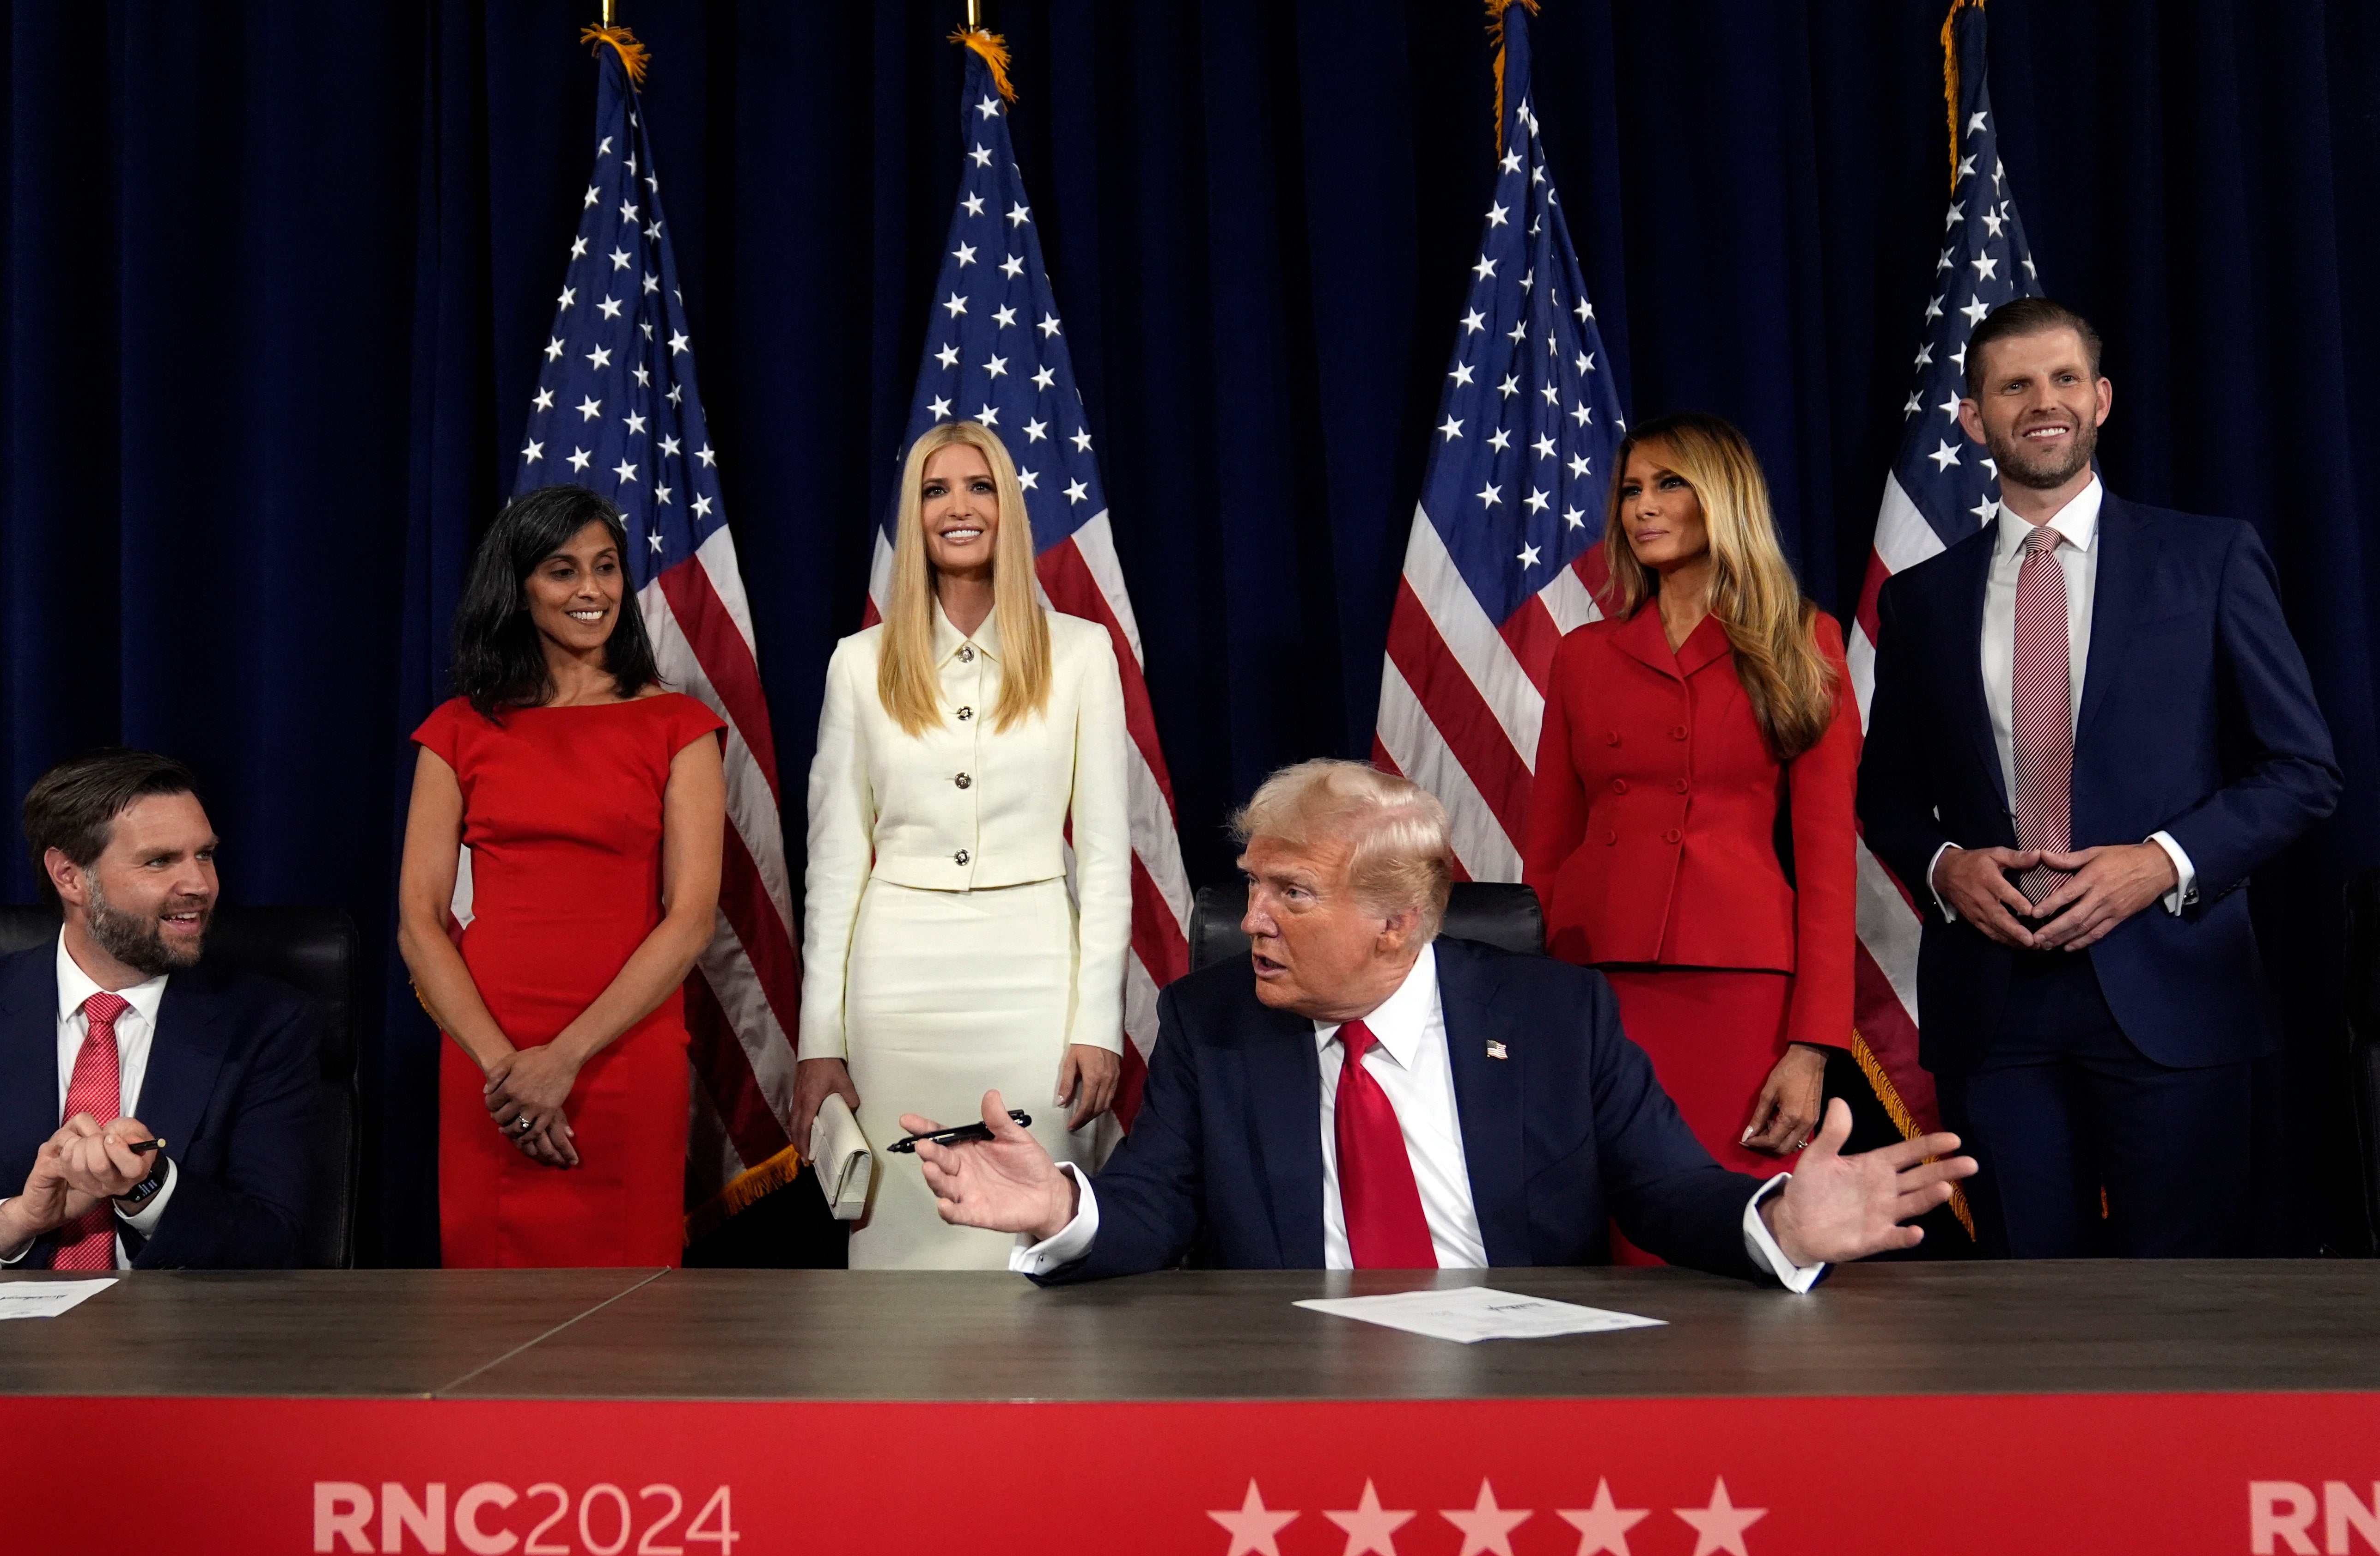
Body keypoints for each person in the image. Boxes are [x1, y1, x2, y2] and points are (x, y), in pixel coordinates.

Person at [903, 760, 1969, 1286]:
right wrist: (1057, 1208)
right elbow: (1149, 1207)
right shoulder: (1209, 1022)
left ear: (1395, 924)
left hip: (1520, 1386)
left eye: (1291, 894)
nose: (1251, 922)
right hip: (1289, 1395)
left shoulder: (1557, 1016)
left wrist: (1776, 1223)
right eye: (1251, 888)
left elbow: (1670, 1191)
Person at [1858, 298, 2339, 1257]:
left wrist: (2158, 862)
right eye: (2014, 385)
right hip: (1993, 1011)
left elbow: (2299, 769)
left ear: (2101, 398)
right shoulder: (1918, 599)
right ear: (1972, 418)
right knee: (2027, 1323)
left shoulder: (2206, 559)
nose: (2043, 402)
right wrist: (1946, 864)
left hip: (2173, 985)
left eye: (2063, 379)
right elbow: (1886, 794)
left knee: (2183, 1315)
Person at [791, 421, 1132, 1268]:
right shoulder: (857, 664)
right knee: (901, 1217)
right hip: (896, 984)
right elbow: (834, 867)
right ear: (915, 517)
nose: (958, 506)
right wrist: (817, 1040)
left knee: (1030, 1210)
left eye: (978, 487)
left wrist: (1099, 1020)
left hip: (1033, 976)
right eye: (934, 490)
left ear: (1008, 508)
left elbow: (1103, 856)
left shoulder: (1083, 653)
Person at [1523, 413, 1861, 1262]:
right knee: (1596, 1233)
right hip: (1592, 985)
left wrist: (1811, 1044)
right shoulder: (1582, 656)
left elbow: (1827, 862)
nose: (1643, 506)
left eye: (1669, 484)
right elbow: (1546, 849)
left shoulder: (1802, 642)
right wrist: (1525, 1005)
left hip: (1737, 988)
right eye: (1631, 489)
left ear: (1724, 498)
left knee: (1722, 1229)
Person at [0, 748, 317, 1270]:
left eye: (205, 855)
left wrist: (151, 1190)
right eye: (160, 861)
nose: (200, 885)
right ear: (69, 877)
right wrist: (17, 1220)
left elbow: (278, 1242)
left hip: (172, 1342)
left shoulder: (265, 1022)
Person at [400, 485, 726, 1268]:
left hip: (623, 1047)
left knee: (628, 1309)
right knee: (484, 1308)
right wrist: (507, 1072)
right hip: (489, 1054)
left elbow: (690, 918)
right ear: (519, 588)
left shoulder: (679, 726)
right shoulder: (457, 728)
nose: (591, 590)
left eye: (606, 568)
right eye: (563, 570)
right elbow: (419, 920)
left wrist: (564, 1059)